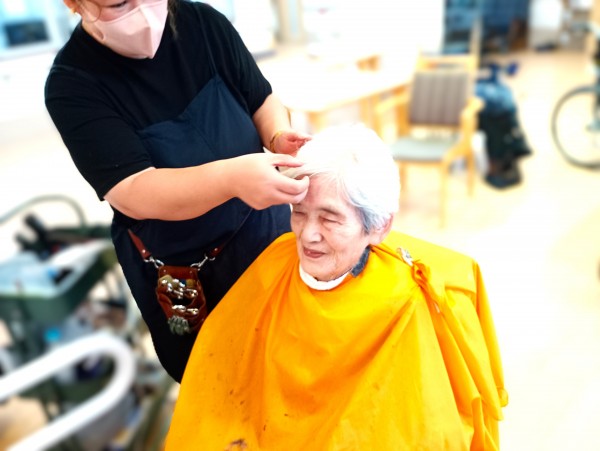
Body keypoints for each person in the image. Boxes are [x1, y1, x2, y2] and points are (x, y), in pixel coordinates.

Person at [165, 125, 508, 450]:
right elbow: (220, 389)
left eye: (329, 218)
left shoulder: (408, 304)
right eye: (299, 213)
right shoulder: (273, 265)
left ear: (378, 227)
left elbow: (418, 428)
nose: (308, 235)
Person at [44, 0, 311, 382]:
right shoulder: (72, 85)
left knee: (292, 352)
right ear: (74, 4)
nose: (143, 12)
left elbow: (260, 98)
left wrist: (276, 135)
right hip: (189, 270)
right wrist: (232, 179)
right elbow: (134, 189)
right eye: (119, 4)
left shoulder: (203, 23)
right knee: (224, 380)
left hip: (264, 233)